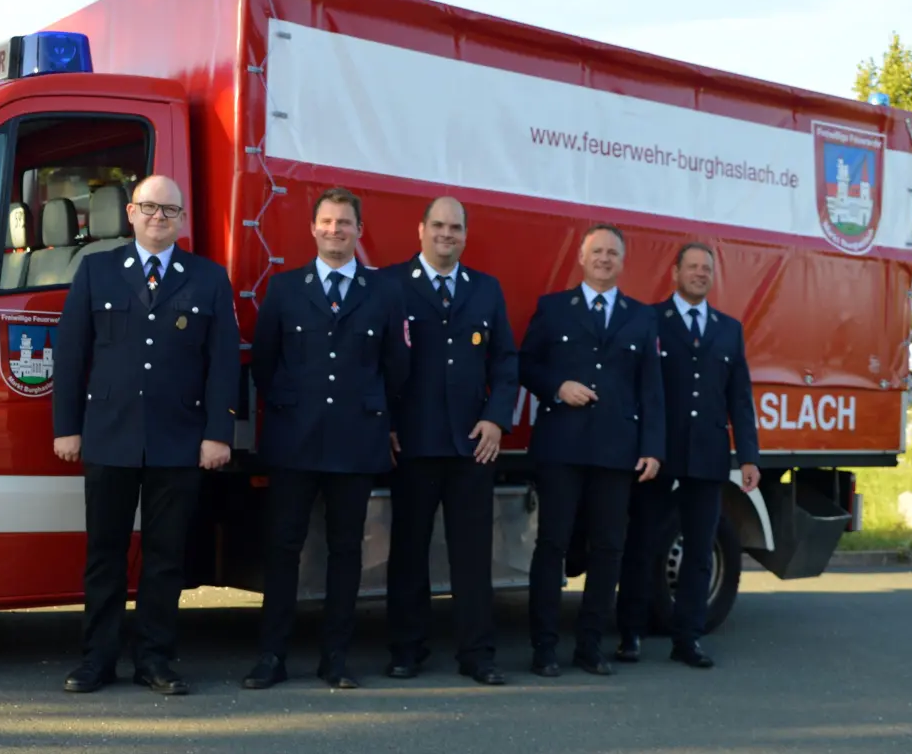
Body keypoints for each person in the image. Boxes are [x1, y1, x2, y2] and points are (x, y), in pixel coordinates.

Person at [50, 175, 240, 696]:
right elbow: (71, 356)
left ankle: (155, 659)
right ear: (131, 213)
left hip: (179, 440)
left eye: (170, 210)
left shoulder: (207, 279)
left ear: (181, 220)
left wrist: (218, 433)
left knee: (165, 557)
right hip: (108, 437)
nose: (159, 217)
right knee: (104, 554)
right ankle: (97, 660)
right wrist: (66, 426)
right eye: (150, 207)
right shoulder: (97, 271)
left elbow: (222, 364)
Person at [243, 186, 412, 690]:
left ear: (359, 232)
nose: (335, 231)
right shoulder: (285, 288)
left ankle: (334, 658)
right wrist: (292, 407)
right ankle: (271, 657)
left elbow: (396, 367)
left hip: (355, 440)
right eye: (327, 222)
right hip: (295, 440)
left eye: (344, 223)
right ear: (312, 229)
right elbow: (266, 364)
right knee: (282, 549)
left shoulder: (383, 292)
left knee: (345, 552)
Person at [518, 222, 664, 678]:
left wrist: (653, 448)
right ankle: (544, 648)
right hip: (562, 446)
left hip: (616, 451)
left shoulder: (641, 317)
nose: (604, 259)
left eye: (612, 253)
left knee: (608, 549)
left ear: (622, 263)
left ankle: (590, 647)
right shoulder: (554, 308)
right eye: (597, 251)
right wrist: (557, 386)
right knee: (552, 546)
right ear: (581, 258)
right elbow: (525, 365)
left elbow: (651, 389)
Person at [384, 196, 517, 686]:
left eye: (455, 227)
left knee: (472, 557)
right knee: (408, 553)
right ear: (420, 230)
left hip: (471, 445)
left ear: (465, 234)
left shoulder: (486, 290)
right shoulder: (392, 284)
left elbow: (506, 361)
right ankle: (406, 650)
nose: (446, 234)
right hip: (413, 444)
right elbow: (376, 362)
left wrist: (496, 419)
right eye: (437, 225)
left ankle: (477, 654)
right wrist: (387, 423)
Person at [615, 241, 761, 669]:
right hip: (657, 456)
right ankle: (630, 634)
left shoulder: (728, 329)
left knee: (699, 552)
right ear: (675, 272)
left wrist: (748, 456)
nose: (699, 273)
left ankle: (689, 638)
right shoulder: (649, 320)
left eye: (706, 268)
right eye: (692, 267)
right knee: (641, 546)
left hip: (709, 458)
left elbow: (740, 398)